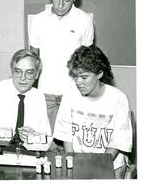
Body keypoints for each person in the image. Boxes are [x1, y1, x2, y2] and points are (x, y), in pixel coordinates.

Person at [53, 45, 132, 179]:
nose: (78, 82)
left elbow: (118, 142)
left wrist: (98, 167)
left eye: (84, 77)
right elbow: (67, 137)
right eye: (76, 76)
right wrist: (74, 166)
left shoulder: (119, 98)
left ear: (99, 74)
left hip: (110, 163)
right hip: (79, 163)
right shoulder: (70, 95)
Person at [29, 0, 94, 132]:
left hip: (74, 92)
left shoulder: (85, 20)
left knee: (73, 145)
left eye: (66, 0)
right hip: (45, 93)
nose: (60, 5)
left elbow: (88, 61)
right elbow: (32, 60)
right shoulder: (38, 20)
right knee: (47, 144)